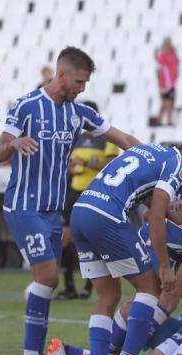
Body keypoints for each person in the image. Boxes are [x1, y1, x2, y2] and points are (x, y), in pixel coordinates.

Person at [0, 46, 141, 355]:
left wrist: (151, 155)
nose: (82, 88)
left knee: (45, 281)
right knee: (47, 277)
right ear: (61, 75)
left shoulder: (79, 112)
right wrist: (14, 145)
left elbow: (120, 138)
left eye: (86, 82)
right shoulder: (26, 106)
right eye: (79, 81)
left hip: (53, 211)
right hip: (23, 205)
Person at [70, 135, 182, 355]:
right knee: (151, 288)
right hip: (107, 216)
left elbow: (144, 195)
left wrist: (170, 214)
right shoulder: (175, 166)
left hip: (81, 212)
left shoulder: (155, 150)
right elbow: (154, 217)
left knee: (108, 295)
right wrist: (165, 267)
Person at [57, 100, 120, 300]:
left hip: (95, 193)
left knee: (91, 239)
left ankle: (89, 288)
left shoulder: (107, 138)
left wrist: (87, 163)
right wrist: (73, 165)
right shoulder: (78, 137)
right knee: (65, 239)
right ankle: (69, 287)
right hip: (74, 192)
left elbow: (111, 165)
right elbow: (69, 164)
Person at [156, 38, 179, 125]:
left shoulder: (172, 55)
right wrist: (160, 82)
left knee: (170, 101)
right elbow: (159, 70)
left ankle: (167, 119)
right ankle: (161, 120)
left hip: (172, 83)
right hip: (166, 83)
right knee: (166, 102)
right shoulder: (162, 55)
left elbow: (177, 62)